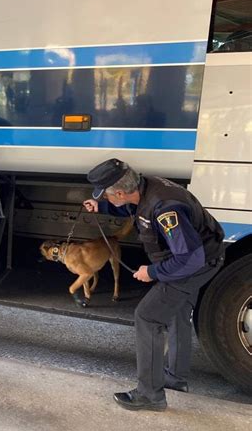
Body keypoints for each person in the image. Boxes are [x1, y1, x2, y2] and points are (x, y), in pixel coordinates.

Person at [83, 159, 224, 411]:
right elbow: (133, 208)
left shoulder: (165, 209)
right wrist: (102, 205)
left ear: (120, 192)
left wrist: (153, 272)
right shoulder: (146, 187)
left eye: (105, 195)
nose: (106, 198)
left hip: (195, 263)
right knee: (177, 311)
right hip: (205, 256)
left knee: (148, 316)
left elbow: (190, 259)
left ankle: (150, 395)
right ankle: (176, 378)